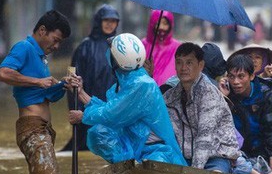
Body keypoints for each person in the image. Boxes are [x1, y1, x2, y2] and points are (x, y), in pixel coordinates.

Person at [67, 33, 186, 166]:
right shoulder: (124, 83)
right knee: (98, 134)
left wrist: (83, 116)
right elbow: (111, 108)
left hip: (157, 150)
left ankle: (130, 167)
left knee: (154, 165)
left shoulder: (142, 85)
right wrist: (81, 92)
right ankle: (125, 165)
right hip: (135, 145)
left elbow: (111, 115)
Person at [0, 10, 72, 174]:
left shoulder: (41, 59)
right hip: (32, 129)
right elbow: (3, 73)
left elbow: (47, 97)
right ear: (42, 30)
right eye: (55, 40)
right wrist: (37, 81)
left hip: (44, 129)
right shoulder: (24, 47)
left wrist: (64, 85)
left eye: (60, 42)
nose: (56, 46)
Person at [163, 42, 243, 173]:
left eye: (189, 63)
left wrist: (194, 173)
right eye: (179, 62)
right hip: (186, 157)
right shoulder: (170, 97)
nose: (183, 68)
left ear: (200, 65)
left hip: (217, 156)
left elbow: (204, 139)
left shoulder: (209, 95)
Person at [61, 4, 120, 152]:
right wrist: (76, 109)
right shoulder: (84, 46)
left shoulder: (120, 47)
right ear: (98, 21)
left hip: (111, 110)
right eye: (106, 20)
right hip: (87, 107)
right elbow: (71, 77)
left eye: (113, 21)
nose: (109, 24)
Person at [229, 44, 272, 126]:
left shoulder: (269, 85)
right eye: (249, 57)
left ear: (264, 61)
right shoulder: (234, 84)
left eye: (257, 57)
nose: (253, 61)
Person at [141, 9, 181, 86]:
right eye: (158, 23)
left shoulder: (178, 47)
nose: (161, 27)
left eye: (165, 23)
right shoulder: (142, 45)